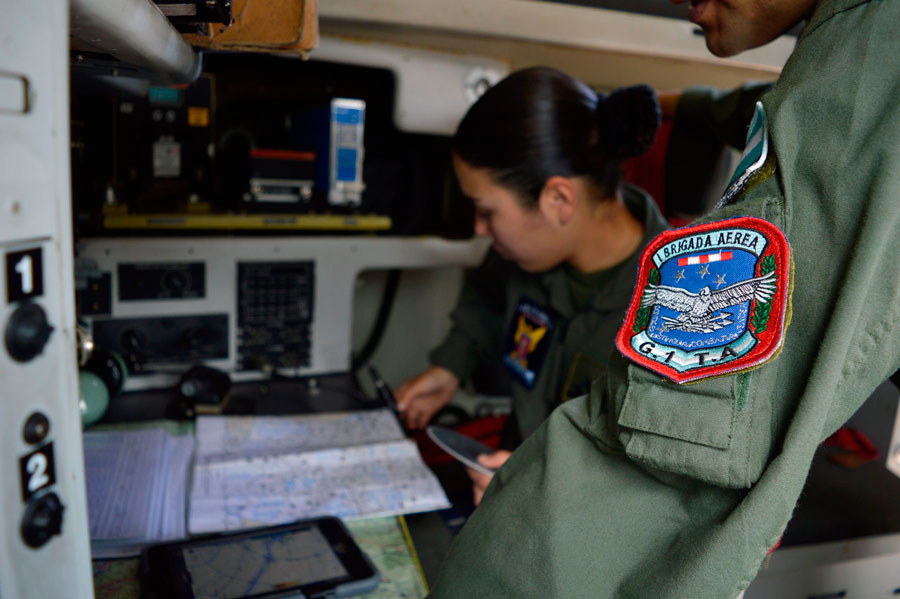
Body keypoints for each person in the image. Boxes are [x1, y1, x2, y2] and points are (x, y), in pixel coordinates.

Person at [427, 0, 900, 597]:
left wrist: (520, 490)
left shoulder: (665, 306)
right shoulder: (528, 266)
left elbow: (682, 462)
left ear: (557, 200)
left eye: (487, 211)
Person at [394, 67, 670, 502]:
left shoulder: (675, 310)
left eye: (487, 211)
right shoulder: (521, 255)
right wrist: (451, 366)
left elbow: (658, 487)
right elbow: (486, 300)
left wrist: (546, 488)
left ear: (558, 200)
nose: (480, 229)